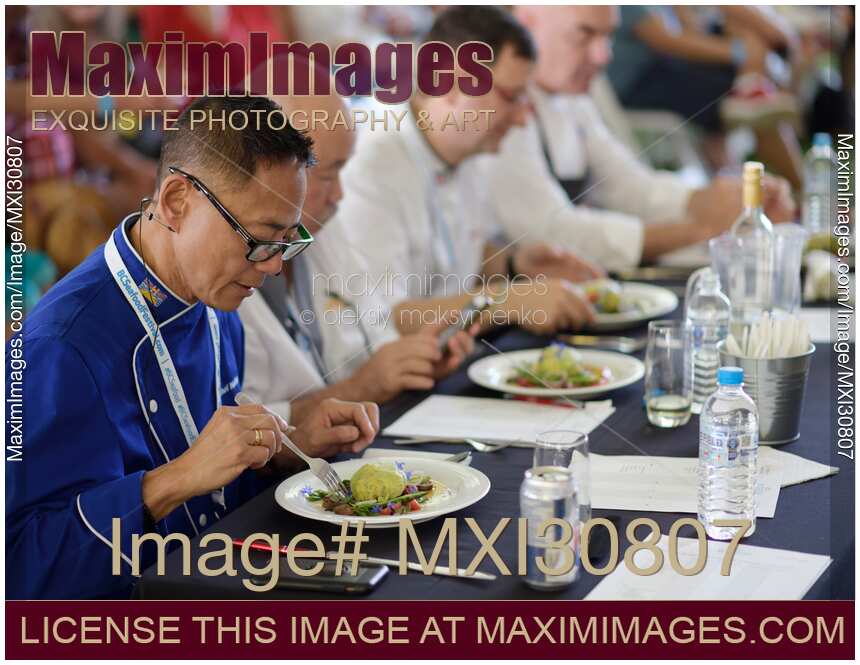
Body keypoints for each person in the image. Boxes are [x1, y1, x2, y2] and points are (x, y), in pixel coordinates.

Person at [6, 96, 380, 600]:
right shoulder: (59, 349)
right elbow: (22, 570)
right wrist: (172, 481)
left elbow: (209, 502)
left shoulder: (216, 309)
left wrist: (286, 452)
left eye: (288, 240)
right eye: (260, 238)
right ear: (177, 201)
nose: (272, 266)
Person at [321, 6, 601, 338]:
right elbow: (383, 320)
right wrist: (501, 301)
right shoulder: (369, 163)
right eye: (511, 97)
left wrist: (514, 265)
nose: (522, 118)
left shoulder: (470, 149)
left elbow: (447, 258)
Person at [477, 5, 796, 272]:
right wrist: (703, 229)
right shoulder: (499, 107)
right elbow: (551, 232)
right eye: (584, 34)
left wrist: (719, 199)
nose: (603, 56)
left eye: (608, 36)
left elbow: (628, 186)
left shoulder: (572, 97)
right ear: (524, 24)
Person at [238, 88, 476, 423]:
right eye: (326, 174)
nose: (339, 194)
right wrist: (365, 386)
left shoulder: (322, 229)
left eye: (342, 171)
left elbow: (375, 329)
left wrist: (413, 362)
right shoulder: (223, 273)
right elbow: (240, 428)